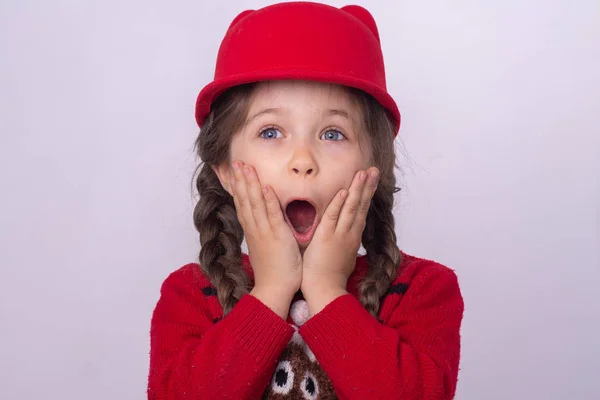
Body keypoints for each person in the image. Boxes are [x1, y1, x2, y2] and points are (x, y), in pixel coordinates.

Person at [147, 2, 464, 399]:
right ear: (225, 170)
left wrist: (326, 289)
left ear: (373, 166)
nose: (302, 161)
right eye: (270, 132)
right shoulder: (191, 295)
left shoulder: (421, 290)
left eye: (333, 134)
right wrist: (272, 289)